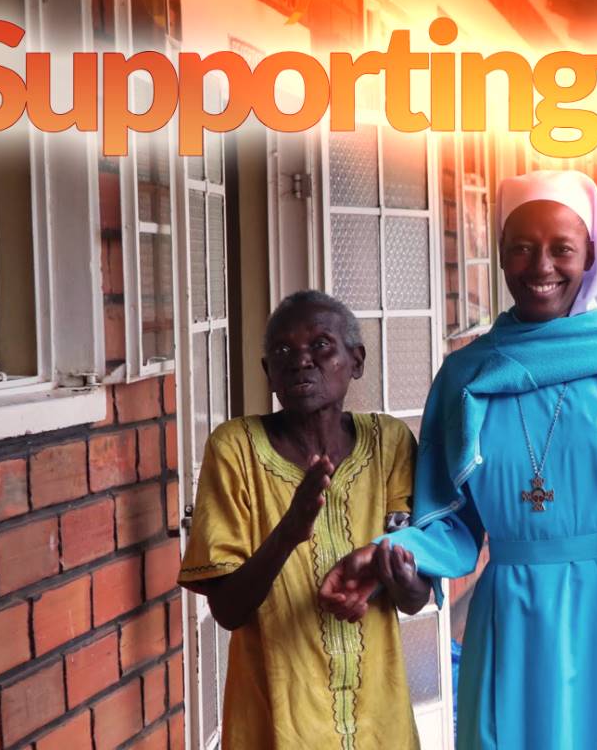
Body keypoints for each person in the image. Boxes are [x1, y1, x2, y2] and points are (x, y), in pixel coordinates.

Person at [320, 170, 597, 750]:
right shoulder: (468, 378)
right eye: (522, 248)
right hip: (512, 627)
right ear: (501, 256)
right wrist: (393, 555)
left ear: (590, 255)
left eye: (562, 248)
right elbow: (452, 526)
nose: (541, 267)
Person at [176, 291, 424, 750]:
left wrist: (398, 574)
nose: (301, 361)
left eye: (321, 345)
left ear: (356, 360)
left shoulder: (389, 442)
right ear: (269, 372)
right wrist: (289, 531)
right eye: (283, 352)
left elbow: (414, 598)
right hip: (277, 724)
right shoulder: (236, 448)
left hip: (378, 721)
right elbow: (228, 611)